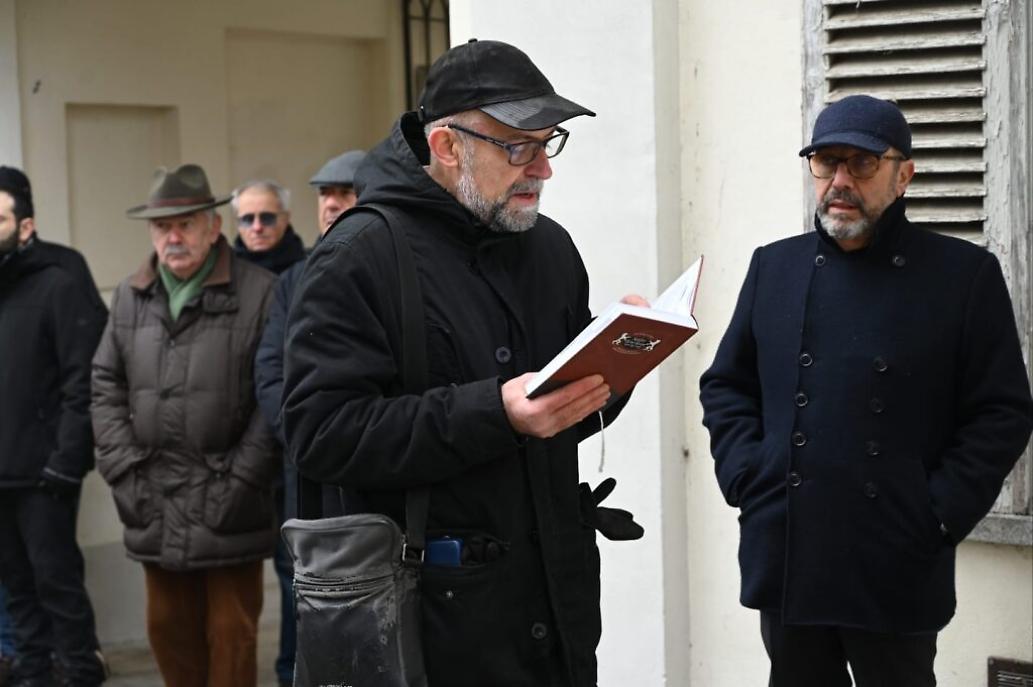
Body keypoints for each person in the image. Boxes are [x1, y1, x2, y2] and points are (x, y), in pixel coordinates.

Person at [281, 39, 644, 687]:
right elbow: (321, 433)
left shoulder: (547, 247)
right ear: (447, 147)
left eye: (547, 142)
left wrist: (615, 363)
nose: (542, 170)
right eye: (518, 147)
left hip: (554, 616)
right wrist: (494, 412)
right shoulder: (359, 255)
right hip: (434, 629)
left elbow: (553, 413)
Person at [699, 95, 1033, 687]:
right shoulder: (773, 267)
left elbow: (1002, 411)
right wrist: (748, 476)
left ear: (903, 174)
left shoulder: (963, 276)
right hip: (790, 554)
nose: (840, 181)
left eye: (862, 164)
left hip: (896, 559)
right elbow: (727, 384)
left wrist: (938, 513)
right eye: (826, 164)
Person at [91, 164, 278, 687]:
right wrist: (124, 471)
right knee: (168, 633)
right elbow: (105, 383)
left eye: (185, 223)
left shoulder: (261, 291)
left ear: (213, 226)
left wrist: (242, 479)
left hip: (229, 500)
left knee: (232, 636)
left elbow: (273, 398)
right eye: (161, 226)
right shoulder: (132, 295)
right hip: (153, 495)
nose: (172, 236)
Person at [252, 148, 364, 687]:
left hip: (371, 472)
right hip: (305, 473)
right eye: (325, 195)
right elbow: (270, 371)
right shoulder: (292, 281)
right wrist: (303, 434)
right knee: (299, 593)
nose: (332, 204)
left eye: (345, 193)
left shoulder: (394, 268)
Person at [0, 166, 109, 687]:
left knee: (58, 590)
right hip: (0, 478)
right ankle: (33, 676)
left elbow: (84, 382)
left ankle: (82, 674)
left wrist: (66, 463)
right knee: (18, 594)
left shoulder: (59, 283)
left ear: (25, 226)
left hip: (44, 478)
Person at [231, 180, 306, 275]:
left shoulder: (309, 271)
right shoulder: (227, 274)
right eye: (247, 219)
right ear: (237, 224)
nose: (257, 227)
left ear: (286, 219)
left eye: (267, 218)